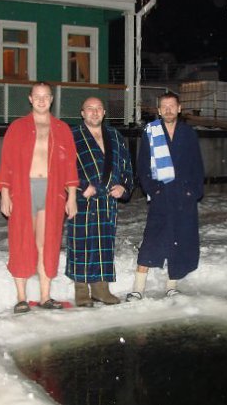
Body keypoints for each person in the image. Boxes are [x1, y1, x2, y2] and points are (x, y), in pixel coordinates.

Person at [0, 82, 78, 313]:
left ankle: (45, 296)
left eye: (46, 96)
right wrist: (5, 193)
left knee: (47, 243)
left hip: (52, 191)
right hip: (23, 190)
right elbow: (7, 162)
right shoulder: (18, 127)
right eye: (37, 96)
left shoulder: (61, 128)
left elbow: (70, 164)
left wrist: (71, 196)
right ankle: (21, 298)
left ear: (51, 99)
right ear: (30, 99)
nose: (41, 100)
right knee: (22, 241)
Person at [127, 91, 204, 301]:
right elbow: (143, 166)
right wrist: (154, 190)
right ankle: (138, 288)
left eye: (172, 106)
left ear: (179, 108)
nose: (168, 110)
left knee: (180, 239)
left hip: (184, 196)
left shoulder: (188, 133)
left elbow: (197, 165)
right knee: (151, 240)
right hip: (161, 195)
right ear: (159, 111)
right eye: (164, 106)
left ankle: (172, 286)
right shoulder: (151, 132)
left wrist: (193, 192)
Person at [66, 97, 133, 307]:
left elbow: (127, 166)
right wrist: (81, 186)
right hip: (83, 198)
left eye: (98, 109)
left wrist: (123, 187)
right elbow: (61, 166)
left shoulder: (115, 136)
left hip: (107, 201)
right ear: (82, 113)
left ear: (104, 113)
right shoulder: (71, 136)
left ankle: (101, 289)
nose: (94, 112)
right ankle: (81, 290)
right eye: (90, 108)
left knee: (104, 244)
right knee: (81, 243)